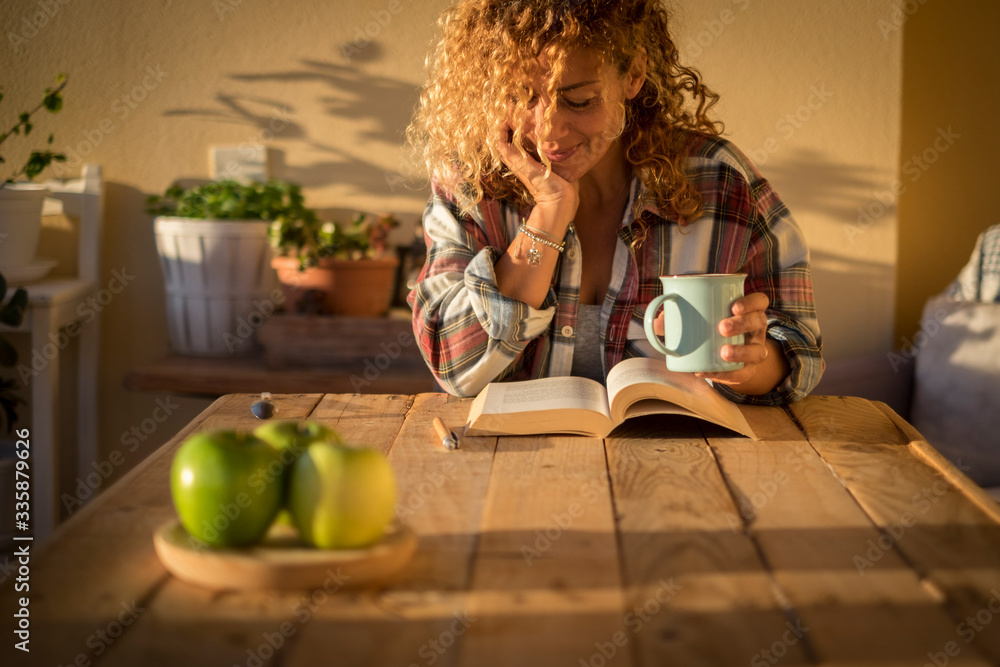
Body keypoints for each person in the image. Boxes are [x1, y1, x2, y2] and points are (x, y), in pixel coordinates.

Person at [406, 0, 823, 404]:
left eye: (580, 101)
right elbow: (455, 365)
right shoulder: (472, 184)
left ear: (634, 73)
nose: (549, 132)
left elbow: (799, 350)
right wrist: (548, 215)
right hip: (513, 466)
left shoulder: (717, 178)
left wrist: (752, 368)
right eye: (522, 96)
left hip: (681, 462)